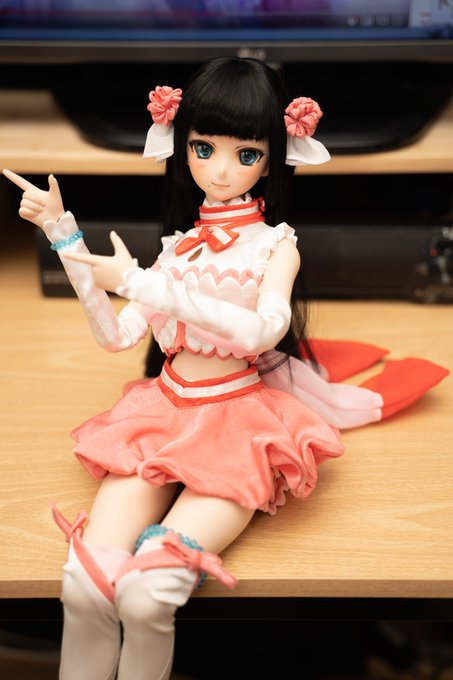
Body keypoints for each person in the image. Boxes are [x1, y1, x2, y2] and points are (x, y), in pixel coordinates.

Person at [2, 56, 447, 680]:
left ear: (272, 159)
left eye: (246, 154)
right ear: (180, 146)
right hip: (162, 413)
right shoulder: (176, 249)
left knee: (146, 594)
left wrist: (143, 284)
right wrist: (64, 237)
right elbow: (117, 335)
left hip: (235, 427)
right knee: (85, 586)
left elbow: (265, 331)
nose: (219, 170)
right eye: (203, 148)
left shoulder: (275, 246)